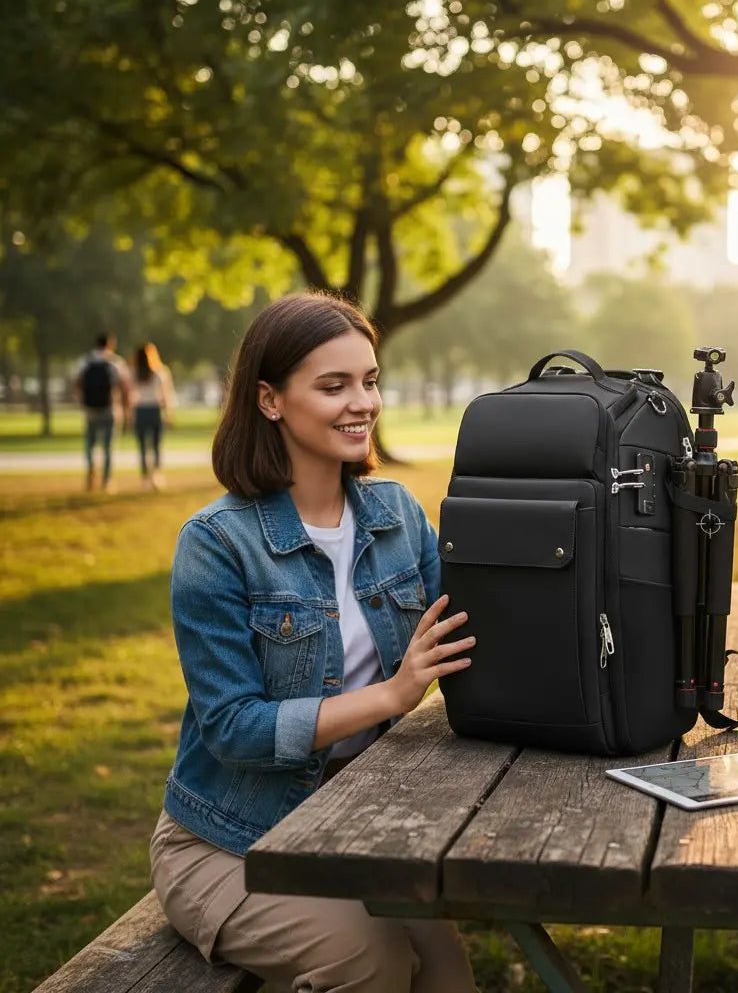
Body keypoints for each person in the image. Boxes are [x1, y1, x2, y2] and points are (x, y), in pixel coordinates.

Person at [149, 291, 478, 993]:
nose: (362, 402)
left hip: (355, 822)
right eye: (334, 386)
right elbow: (234, 729)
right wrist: (391, 695)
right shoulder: (217, 544)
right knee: (373, 962)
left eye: (370, 381)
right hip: (227, 839)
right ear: (270, 401)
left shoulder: (396, 515)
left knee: (447, 973)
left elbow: (472, 631)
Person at [74, 332, 131, 492]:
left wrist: (84, 399)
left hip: (90, 409)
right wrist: (126, 409)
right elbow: (124, 387)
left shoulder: (85, 361)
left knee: (90, 445)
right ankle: (106, 480)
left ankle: (90, 474)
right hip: (110, 409)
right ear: (110, 344)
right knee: (108, 447)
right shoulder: (115, 362)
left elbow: (77, 383)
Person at [131, 342, 175, 489]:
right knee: (156, 445)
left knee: (143, 447)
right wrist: (168, 413)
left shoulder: (134, 373)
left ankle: (145, 478)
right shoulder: (159, 372)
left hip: (140, 410)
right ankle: (157, 475)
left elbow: (131, 395)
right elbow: (165, 395)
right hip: (154, 410)